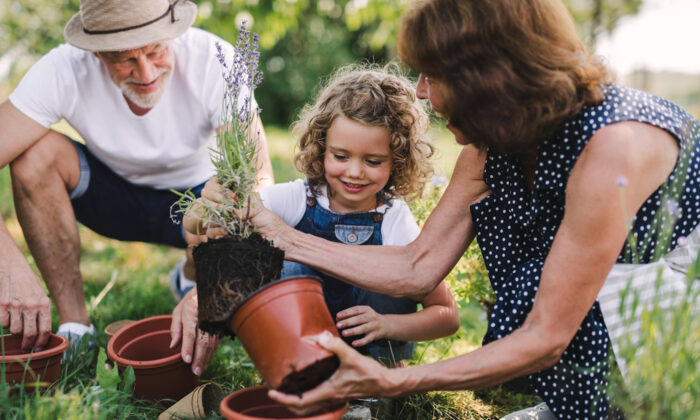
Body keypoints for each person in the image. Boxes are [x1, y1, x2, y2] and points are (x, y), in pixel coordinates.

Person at [194, 0, 699, 418]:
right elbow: (418, 266)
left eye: (432, 74)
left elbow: (546, 335)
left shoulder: (612, 148)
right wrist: (277, 235)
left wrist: (393, 381)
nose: (418, 91)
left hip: (677, 300)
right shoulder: (490, 145)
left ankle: (630, 403)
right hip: (607, 287)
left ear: (490, 78)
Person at [0, 0, 273, 378]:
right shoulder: (62, 68)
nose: (145, 72)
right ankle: (76, 327)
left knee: (231, 199)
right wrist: (8, 263)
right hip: (111, 198)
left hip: (195, 204)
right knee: (34, 155)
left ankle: (190, 280)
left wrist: (212, 288)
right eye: (123, 60)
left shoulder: (215, 59)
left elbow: (258, 183)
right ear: (94, 51)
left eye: (156, 50)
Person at [187, 66, 460, 366]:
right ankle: (295, 366)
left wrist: (387, 325)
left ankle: (387, 369)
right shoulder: (298, 199)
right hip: (303, 350)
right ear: (321, 148)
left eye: (373, 161)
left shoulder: (394, 218)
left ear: (397, 160)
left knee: (395, 274)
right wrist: (208, 204)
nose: (354, 172)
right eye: (340, 156)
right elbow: (198, 222)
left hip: (371, 354)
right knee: (286, 268)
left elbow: (447, 316)